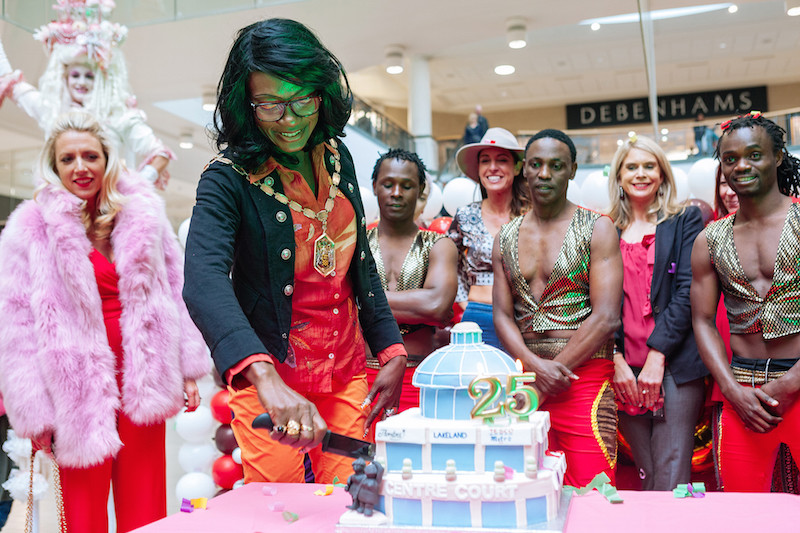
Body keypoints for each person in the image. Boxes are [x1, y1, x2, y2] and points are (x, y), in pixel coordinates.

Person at [182, 18, 407, 485]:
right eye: (270, 105)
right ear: (246, 106)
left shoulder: (336, 155)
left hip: (344, 369)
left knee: (351, 500)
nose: (290, 120)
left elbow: (358, 261)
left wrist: (390, 348)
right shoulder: (226, 179)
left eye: (302, 99)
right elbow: (203, 280)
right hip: (271, 377)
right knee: (279, 508)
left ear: (322, 93)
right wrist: (264, 381)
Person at [0, 111, 209, 533]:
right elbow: (15, 324)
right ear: (54, 166)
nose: (80, 167)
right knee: (82, 510)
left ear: (108, 160)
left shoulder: (144, 215)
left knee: (145, 502)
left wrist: (188, 368)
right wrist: (34, 411)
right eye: (68, 159)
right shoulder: (31, 227)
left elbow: (176, 288)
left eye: (90, 156)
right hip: (72, 385)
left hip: (143, 370)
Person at [493, 128, 622, 487]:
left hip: (584, 378)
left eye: (555, 165)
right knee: (525, 494)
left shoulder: (598, 228)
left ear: (572, 170)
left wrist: (552, 374)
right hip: (527, 378)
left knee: (593, 493)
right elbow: (502, 315)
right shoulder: (505, 236)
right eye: (535, 164)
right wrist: (535, 370)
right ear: (524, 170)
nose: (544, 174)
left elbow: (607, 316)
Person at [691, 112, 800, 492]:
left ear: (778, 157)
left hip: (799, 381)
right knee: (744, 510)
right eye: (730, 158)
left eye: (754, 155)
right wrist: (732, 390)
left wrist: (791, 383)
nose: (742, 166)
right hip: (743, 393)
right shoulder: (709, 239)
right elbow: (702, 321)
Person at [607, 134, 707, 490]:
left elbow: (687, 292)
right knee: (645, 473)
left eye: (649, 166)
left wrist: (657, 356)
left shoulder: (685, 221)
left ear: (662, 174)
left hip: (674, 364)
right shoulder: (606, 229)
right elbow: (596, 301)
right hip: (622, 369)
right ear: (619, 176)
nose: (641, 173)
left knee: (669, 473)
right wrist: (615, 359)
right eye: (631, 167)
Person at [0, 0, 174, 189]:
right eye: (75, 75)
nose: (81, 82)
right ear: (64, 77)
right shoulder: (51, 109)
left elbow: (160, 153)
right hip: (63, 207)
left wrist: (134, 187)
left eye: (89, 76)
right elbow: (12, 84)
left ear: (102, 81)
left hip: (110, 208)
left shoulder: (120, 115)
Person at [367, 148, 458, 412]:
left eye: (406, 186)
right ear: (375, 186)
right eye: (388, 184)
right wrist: (416, 307)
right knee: (360, 453)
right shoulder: (356, 242)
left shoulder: (439, 245)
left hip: (420, 377)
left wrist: (361, 298)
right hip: (361, 377)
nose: (396, 193)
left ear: (420, 190)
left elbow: (437, 306)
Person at [448, 127, 530, 349]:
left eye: (501, 160)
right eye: (485, 161)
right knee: (480, 383)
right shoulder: (464, 215)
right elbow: (449, 264)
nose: (492, 167)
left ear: (517, 166)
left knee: (521, 384)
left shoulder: (532, 215)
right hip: (478, 318)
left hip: (526, 321)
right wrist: (465, 302)